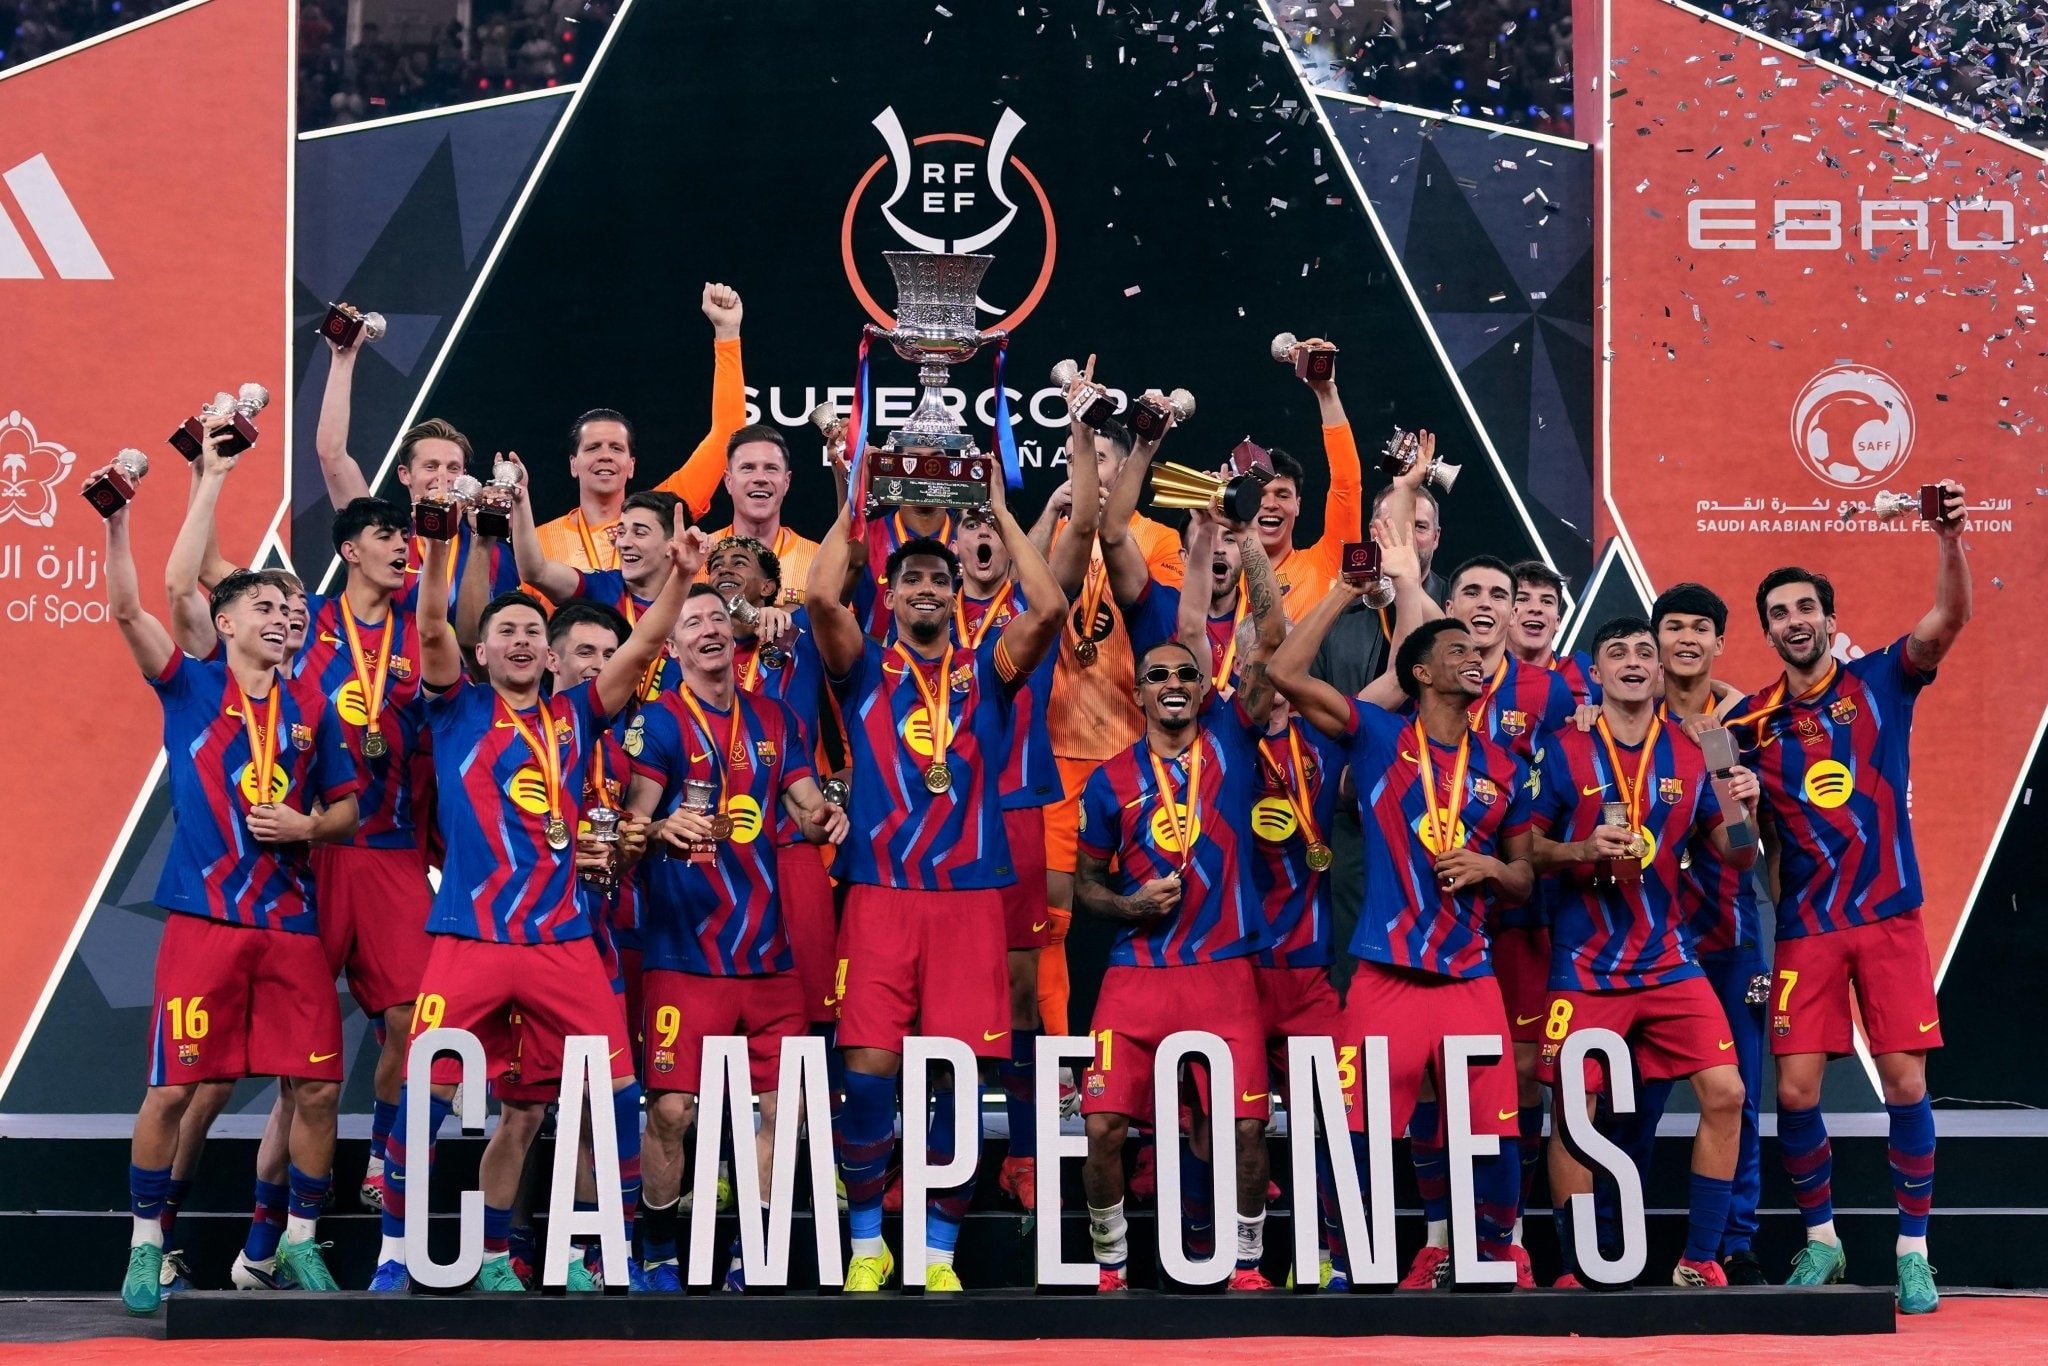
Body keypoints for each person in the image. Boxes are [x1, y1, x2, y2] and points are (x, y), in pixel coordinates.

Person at [365, 519, 705, 1294]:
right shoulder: (455, 710)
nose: (519, 640)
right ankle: (394, 1254)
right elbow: (429, 624)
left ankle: (612, 1250)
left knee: (617, 1095)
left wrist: (682, 577)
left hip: (562, 941)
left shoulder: (577, 714)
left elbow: (643, 647)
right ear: (481, 653)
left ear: (550, 658)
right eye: (505, 632)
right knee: (425, 1099)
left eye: (530, 632)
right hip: (471, 938)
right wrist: (441, 547)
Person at [102, 469, 362, 1312]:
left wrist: (307, 825)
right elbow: (131, 610)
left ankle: (298, 1243)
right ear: (225, 623)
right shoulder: (191, 686)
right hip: (206, 921)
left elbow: (348, 810)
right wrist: (121, 522)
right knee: (173, 1089)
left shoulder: (315, 708)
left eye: (290, 609)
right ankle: (146, 1246)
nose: (283, 617)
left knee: (317, 1088)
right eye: (264, 607)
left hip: (290, 925)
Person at [803, 472, 1065, 1294]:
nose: (925, 586)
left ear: (956, 596)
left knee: (956, 1074)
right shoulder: (864, 667)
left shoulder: (988, 670)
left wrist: (1000, 515)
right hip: (879, 895)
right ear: (888, 594)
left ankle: (938, 1254)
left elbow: (1050, 609)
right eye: (911, 577)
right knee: (868, 1072)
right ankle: (867, 1245)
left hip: (968, 904)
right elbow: (818, 598)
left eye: (938, 578)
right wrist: (857, 499)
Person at [1730, 481, 1970, 1315]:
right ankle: (1824, 1242)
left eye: (1806, 608)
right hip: (1806, 927)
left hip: (1890, 915)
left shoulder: (1882, 679)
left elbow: (1949, 619)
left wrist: (1949, 539)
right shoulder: (1750, 723)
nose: (1793, 621)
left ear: (1830, 620)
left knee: (1904, 1083)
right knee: (1796, 1093)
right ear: (1767, 631)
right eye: (1779, 614)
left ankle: (1914, 1253)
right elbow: (1735, 830)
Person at [1268, 593, 1537, 1290]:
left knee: (1495, 1130)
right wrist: (1342, 592)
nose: (1474, 659)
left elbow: (1523, 878)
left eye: (1478, 652)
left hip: (1469, 975)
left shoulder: (1504, 765)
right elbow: (1285, 674)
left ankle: (1494, 1260)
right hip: (1387, 974)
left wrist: (1490, 869)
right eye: (1457, 651)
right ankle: (1345, 1265)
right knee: (1356, 1130)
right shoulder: (1379, 736)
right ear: (1420, 672)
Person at [625, 585, 848, 1292]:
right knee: (672, 1111)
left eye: (718, 618)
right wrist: (660, 829)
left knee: (787, 1107)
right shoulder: (659, 722)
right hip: (684, 954)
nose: (709, 630)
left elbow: (807, 808)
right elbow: (630, 828)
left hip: (767, 957)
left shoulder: (775, 718)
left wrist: (826, 819)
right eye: (692, 622)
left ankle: (755, 1254)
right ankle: (657, 1247)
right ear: (673, 647)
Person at [1528, 615, 1758, 1289]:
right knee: (1575, 1115)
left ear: (1660, 672)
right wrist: (1579, 848)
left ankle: (1699, 1260)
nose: (1632, 661)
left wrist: (1736, 791)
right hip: (1585, 966)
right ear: (1595, 672)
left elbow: (1740, 856)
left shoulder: (1693, 752)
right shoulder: (1563, 748)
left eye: (1643, 653)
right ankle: (1579, 1269)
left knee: (1727, 1092)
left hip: (1667, 960)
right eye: (1616, 652)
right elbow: (1523, 850)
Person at [1073, 632, 1276, 1294]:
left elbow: (1271, 644)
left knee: (1244, 1128)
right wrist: (1129, 906)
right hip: (1137, 970)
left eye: (1186, 674)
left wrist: (1245, 555)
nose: (1173, 683)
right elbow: (1086, 887)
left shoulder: (1232, 746)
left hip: (1223, 970)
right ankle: (1111, 1266)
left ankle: (1246, 1265)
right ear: (1138, 693)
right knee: (1102, 1127)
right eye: (1157, 675)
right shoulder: (1109, 781)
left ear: (1203, 687)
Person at [1028, 409, 1184, 1072]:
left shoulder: (1157, 538)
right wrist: (1050, 514)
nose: (1087, 471)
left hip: (1135, 754)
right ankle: (1059, 1067)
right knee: (1050, 920)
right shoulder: (1060, 531)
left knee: (1162, 905)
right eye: (1077, 459)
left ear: (1124, 472)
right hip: (1058, 751)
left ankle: (1159, 1069)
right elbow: (1020, 597)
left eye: (1100, 460)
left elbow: (1167, 627)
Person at [951, 504, 1087, 1213]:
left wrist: (1011, 517)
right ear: (953, 545)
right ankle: (942, 1156)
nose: (982, 536)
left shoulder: (1028, 613)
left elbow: (1070, 553)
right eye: (970, 526)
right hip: (939, 815)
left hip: (1015, 812)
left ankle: (1027, 1156)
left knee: (1023, 993)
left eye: (991, 527)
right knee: (939, 996)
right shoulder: (923, 613)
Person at [1439, 553, 1576, 1209]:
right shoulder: (1425, 675)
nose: (1488, 604)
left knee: (1522, 1071)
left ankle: (1507, 1223)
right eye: (1473, 591)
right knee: (1440, 1069)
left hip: (1520, 903)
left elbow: (1567, 782)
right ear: (1451, 606)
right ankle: (1444, 1231)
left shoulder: (1548, 692)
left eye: (1501, 594)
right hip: (1438, 901)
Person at [1653, 582, 1770, 1285]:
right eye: (1674, 626)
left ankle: (1735, 1239)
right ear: (1655, 640)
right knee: (1633, 1100)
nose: (1687, 639)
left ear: (1720, 642)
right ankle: (1617, 1240)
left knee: (1739, 1096)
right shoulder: (1619, 715)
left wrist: (1732, 775)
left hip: (1730, 936)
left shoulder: (1743, 725)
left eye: (1701, 628)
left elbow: (1749, 846)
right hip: (1647, 944)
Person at [1310, 466, 1443, 999]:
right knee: (1353, 961)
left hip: (1436, 810)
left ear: (1436, 538)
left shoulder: (1453, 607)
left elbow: (1417, 674)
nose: (1404, 539)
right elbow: (1312, 710)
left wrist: (1408, 585)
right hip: (1351, 811)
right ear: (1371, 532)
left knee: (1432, 961)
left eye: (1417, 527)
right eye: (1391, 526)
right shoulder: (1335, 615)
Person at [532, 283, 747, 569]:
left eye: (616, 448)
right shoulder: (539, 541)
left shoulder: (664, 513)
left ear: (631, 465)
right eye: (593, 447)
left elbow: (729, 432)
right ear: (573, 464)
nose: (605, 455)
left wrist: (727, 333)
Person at [315, 326, 520, 622]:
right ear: (404, 475)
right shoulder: (382, 537)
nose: (443, 477)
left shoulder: (496, 555)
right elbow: (332, 455)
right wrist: (343, 358)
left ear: (466, 476)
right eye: (430, 466)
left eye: (453, 468)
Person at [1255, 341, 1364, 619]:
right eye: (1258, 494)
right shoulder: (1222, 575)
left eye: (1282, 494)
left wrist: (1327, 394)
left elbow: (1347, 485)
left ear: (1298, 505)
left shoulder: (1323, 563)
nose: (1270, 504)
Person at [697, 424, 820, 606]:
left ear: (786, 482)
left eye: (771, 468)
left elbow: (840, 622)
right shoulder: (698, 557)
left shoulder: (818, 560)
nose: (760, 478)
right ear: (729, 481)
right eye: (748, 468)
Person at [1509, 561, 1599, 706]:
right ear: (1506, 614)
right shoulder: (1480, 675)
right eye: (1523, 599)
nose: (1536, 608)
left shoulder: (1587, 672)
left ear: (1557, 622)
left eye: (1547, 601)